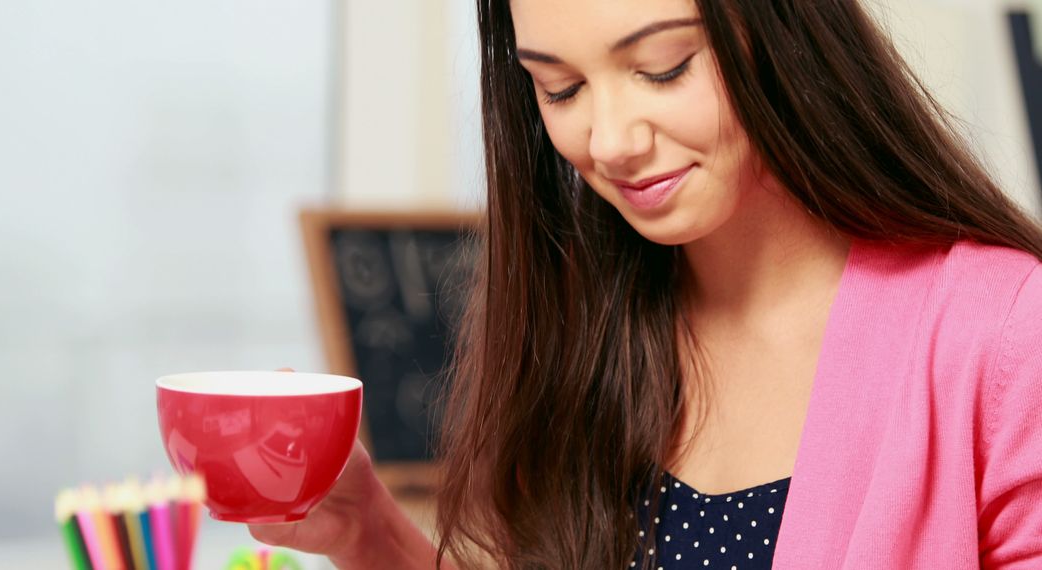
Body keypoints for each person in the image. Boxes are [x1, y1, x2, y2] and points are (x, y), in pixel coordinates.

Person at [251, 0, 1042, 567]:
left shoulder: (999, 332)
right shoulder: (575, 323)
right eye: (560, 89)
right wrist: (372, 538)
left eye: (663, 69)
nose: (611, 141)